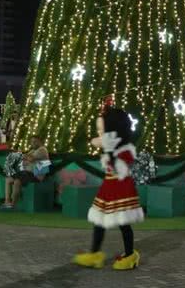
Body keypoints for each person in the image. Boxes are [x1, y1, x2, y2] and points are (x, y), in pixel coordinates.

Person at [72, 107, 144, 271]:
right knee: (99, 222)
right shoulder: (111, 146)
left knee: (123, 223)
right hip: (108, 187)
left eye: (103, 129)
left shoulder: (126, 149)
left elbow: (121, 170)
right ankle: (95, 254)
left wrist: (110, 151)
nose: (100, 133)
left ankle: (130, 254)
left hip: (121, 188)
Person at [2, 135, 49, 209]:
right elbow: (24, 158)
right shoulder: (33, 150)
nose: (32, 144)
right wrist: (26, 158)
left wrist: (26, 157)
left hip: (37, 175)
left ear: (40, 141)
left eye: (34, 142)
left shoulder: (42, 150)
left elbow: (29, 158)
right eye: (31, 142)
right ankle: (7, 202)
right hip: (28, 173)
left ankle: (13, 205)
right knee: (8, 179)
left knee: (17, 182)